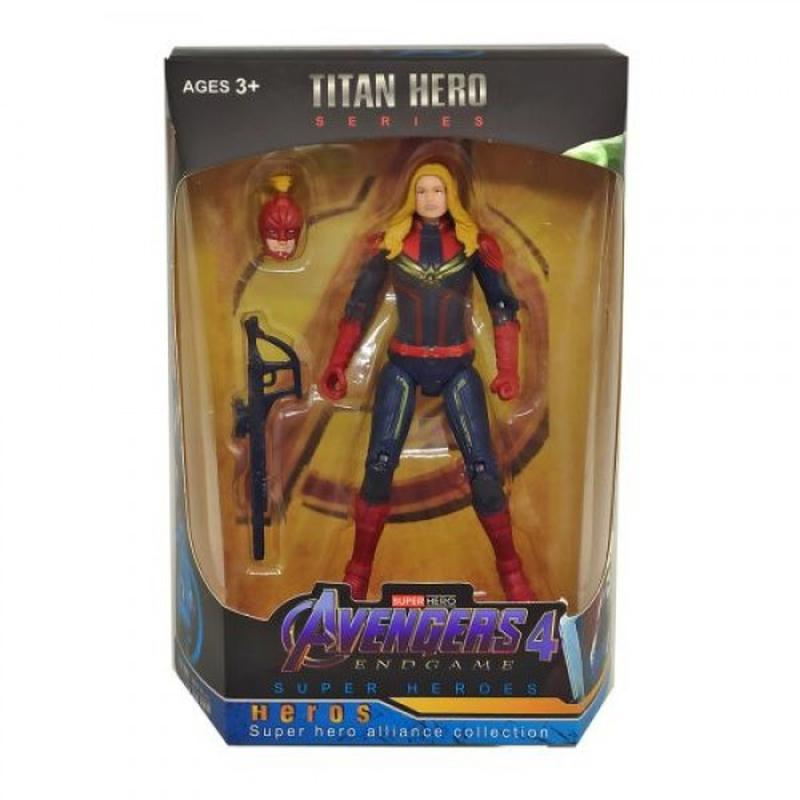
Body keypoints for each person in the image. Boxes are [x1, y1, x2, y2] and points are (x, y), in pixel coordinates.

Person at [320, 162, 535, 601]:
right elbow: (358, 307)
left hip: (458, 367)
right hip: (403, 364)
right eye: (422, 190)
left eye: (438, 190)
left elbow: (502, 308)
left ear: (451, 194)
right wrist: (338, 362)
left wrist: (508, 369)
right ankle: (358, 570)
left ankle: (512, 571)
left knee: (484, 474)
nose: (431, 198)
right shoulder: (390, 245)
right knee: (379, 467)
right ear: (411, 196)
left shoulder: (474, 245)